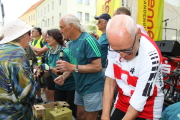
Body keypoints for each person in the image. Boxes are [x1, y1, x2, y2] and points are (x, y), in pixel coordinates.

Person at [101, 15, 164, 120]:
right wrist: (105, 115)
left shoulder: (150, 56)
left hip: (147, 107)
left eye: (127, 50)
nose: (122, 55)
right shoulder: (116, 44)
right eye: (117, 50)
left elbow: (138, 103)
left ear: (138, 35)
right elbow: (109, 83)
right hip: (122, 101)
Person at [56, 14, 104, 120]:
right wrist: (64, 76)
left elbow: (97, 67)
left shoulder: (88, 40)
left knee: (90, 117)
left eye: (62, 27)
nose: (60, 31)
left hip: (92, 87)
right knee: (80, 116)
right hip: (79, 87)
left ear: (72, 26)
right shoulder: (71, 43)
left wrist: (72, 67)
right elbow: (73, 66)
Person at [0, 19, 38, 119]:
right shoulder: (17, 53)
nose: (31, 37)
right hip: (15, 114)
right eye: (29, 33)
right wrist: (35, 80)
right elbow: (26, 94)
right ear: (21, 36)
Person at [40, 29, 77, 117]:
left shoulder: (66, 52)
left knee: (72, 112)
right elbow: (48, 72)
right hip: (58, 86)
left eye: (49, 37)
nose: (46, 39)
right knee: (59, 112)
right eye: (46, 37)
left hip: (71, 86)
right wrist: (42, 71)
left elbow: (72, 68)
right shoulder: (48, 53)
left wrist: (50, 68)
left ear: (56, 38)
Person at [31, 27, 47, 103]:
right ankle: (39, 97)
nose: (31, 33)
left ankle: (48, 100)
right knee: (37, 81)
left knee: (44, 83)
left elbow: (42, 51)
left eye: (33, 31)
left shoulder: (42, 41)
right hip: (35, 64)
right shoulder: (33, 42)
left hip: (43, 65)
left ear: (38, 32)